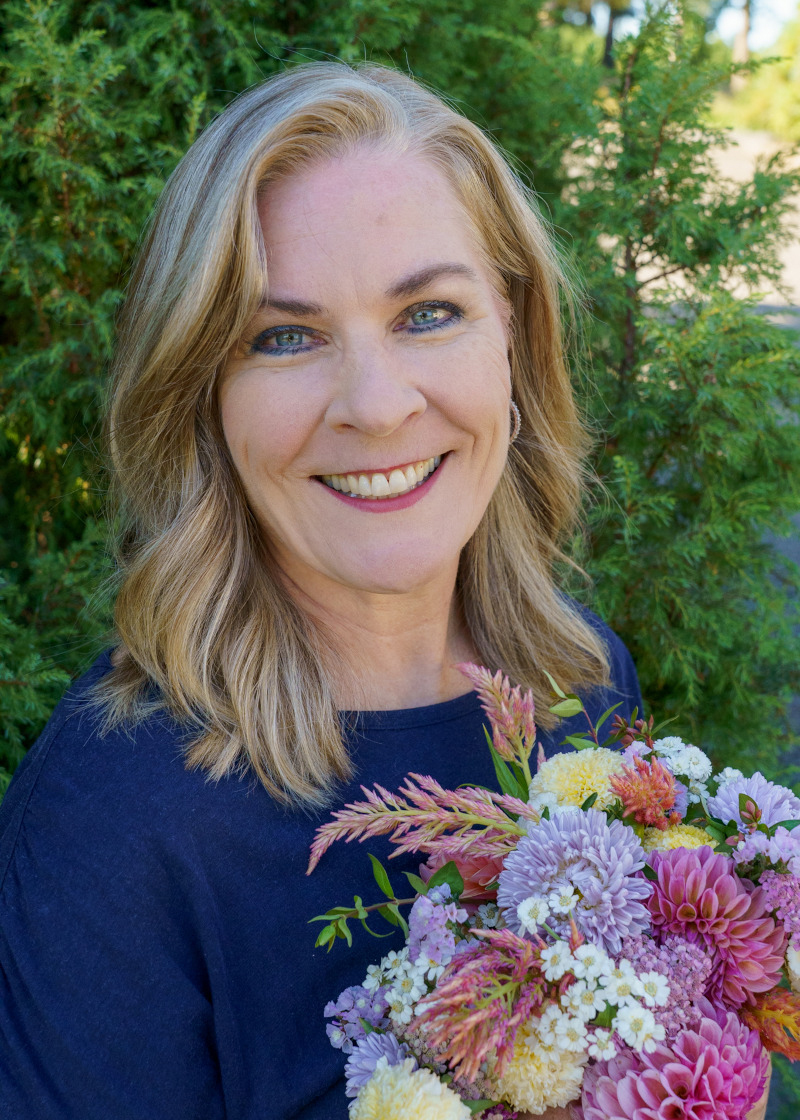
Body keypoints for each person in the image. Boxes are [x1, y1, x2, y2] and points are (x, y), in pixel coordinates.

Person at [0, 61, 652, 1119]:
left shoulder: (579, 685)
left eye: (427, 313)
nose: (375, 405)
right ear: (203, 400)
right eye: (284, 338)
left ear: (514, 345)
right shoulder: (116, 823)